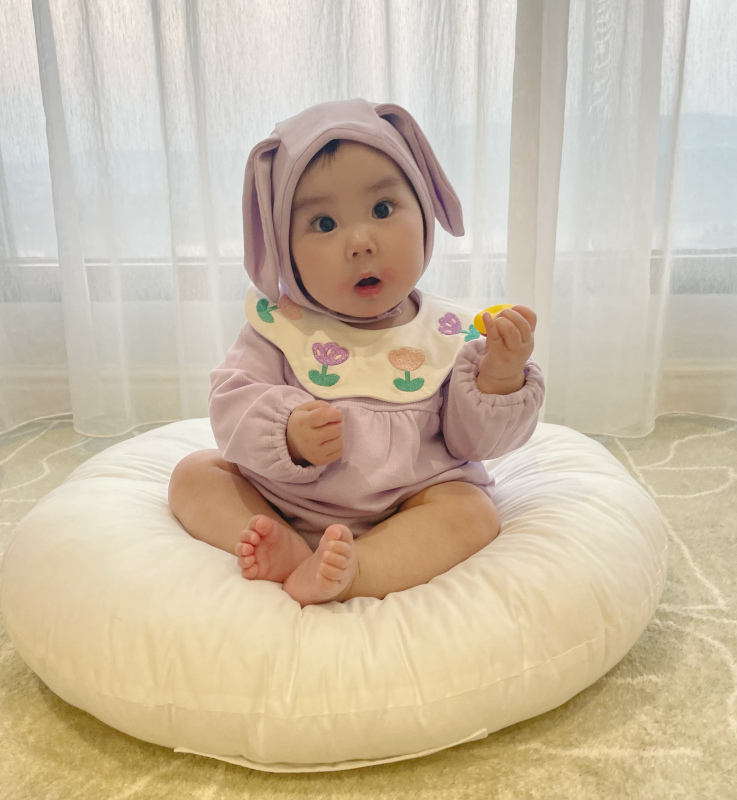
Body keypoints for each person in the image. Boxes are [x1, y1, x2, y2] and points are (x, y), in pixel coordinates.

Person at [168, 99, 545, 607]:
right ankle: (288, 548)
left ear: (424, 212)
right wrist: (288, 432)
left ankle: (358, 570)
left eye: (383, 210)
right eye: (324, 224)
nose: (360, 242)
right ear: (282, 247)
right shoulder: (281, 328)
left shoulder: (446, 331)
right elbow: (231, 403)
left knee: (471, 512)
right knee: (194, 475)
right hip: (283, 498)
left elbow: (471, 442)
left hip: (407, 505)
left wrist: (499, 376)